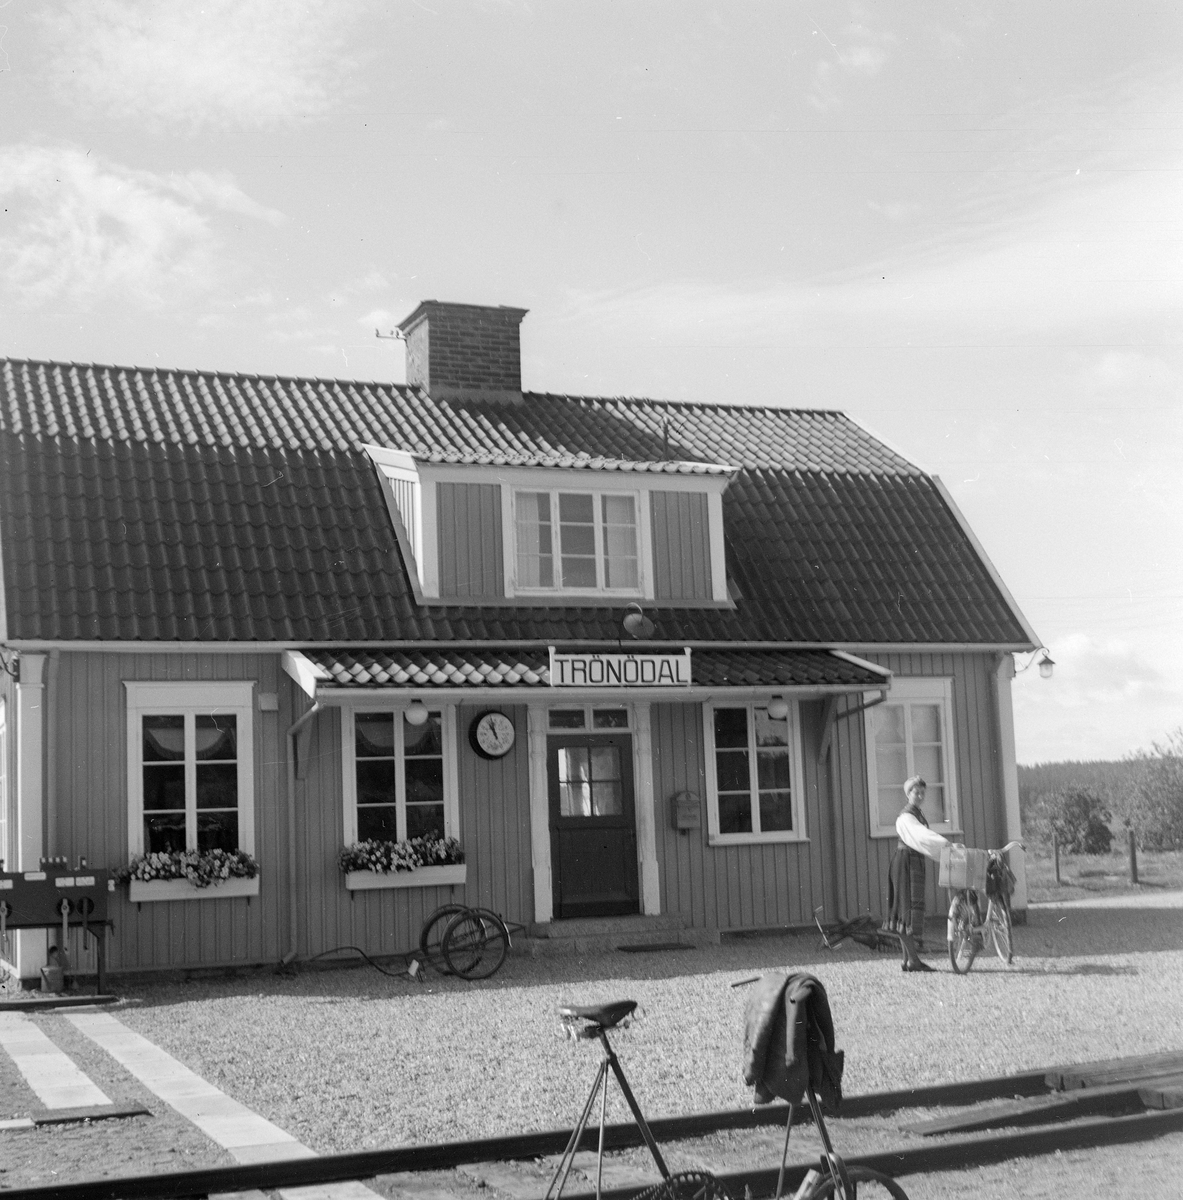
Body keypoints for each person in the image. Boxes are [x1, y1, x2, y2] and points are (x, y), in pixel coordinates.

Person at [883, 775, 950, 972]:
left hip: (913, 862)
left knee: (909, 910)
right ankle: (913, 960)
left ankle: (907, 960)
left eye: (922, 793)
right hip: (905, 863)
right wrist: (946, 845)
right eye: (916, 792)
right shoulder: (906, 817)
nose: (920, 796)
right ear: (908, 794)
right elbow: (923, 837)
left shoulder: (916, 814)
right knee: (906, 911)